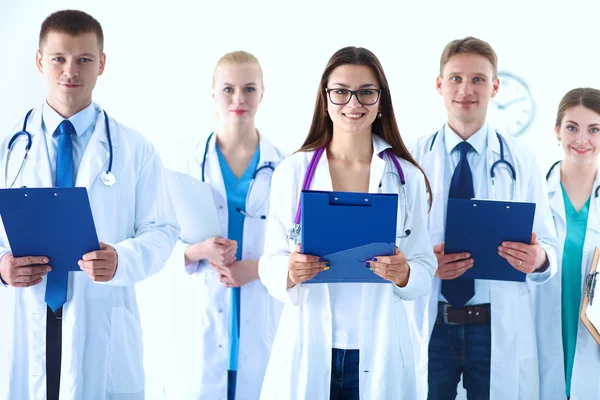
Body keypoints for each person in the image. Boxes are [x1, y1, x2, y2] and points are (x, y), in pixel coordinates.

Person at [0, 9, 179, 400]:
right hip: (26, 314)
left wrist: (122, 259)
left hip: (100, 318)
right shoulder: (8, 147)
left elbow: (163, 230)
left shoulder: (135, 149)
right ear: (38, 61)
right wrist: (0, 266)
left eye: (83, 59)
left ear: (101, 63)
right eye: (58, 59)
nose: (70, 71)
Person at [258, 46, 436, 400]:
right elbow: (270, 261)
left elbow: (424, 266)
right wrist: (289, 271)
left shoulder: (407, 177)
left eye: (366, 92)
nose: (353, 103)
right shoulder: (293, 172)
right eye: (340, 92)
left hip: (381, 347)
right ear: (325, 100)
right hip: (311, 345)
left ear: (380, 100)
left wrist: (404, 273)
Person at [410, 36, 557, 399]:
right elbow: (391, 244)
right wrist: (428, 264)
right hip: (431, 322)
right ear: (439, 85)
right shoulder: (410, 160)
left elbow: (548, 244)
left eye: (478, 79)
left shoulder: (522, 159)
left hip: (493, 327)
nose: (466, 89)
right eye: (456, 78)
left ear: (495, 87)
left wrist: (538, 259)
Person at [163, 51, 286, 400]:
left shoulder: (286, 168)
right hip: (199, 324)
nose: (238, 99)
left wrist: (257, 268)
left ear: (262, 94)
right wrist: (197, 251)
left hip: (261, 324)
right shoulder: (185, 163)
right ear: (212, 94)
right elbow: (158, 240)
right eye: (228, 89)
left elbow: (300, 251)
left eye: (249, 89)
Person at [537, 87, 600, 400]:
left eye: (594, 129)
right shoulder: (534, 191)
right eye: (572, 127)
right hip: (544, 321)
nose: (581, 139)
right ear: (557, 131)